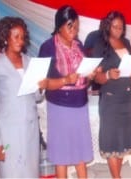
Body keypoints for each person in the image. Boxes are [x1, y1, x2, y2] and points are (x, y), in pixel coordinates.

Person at [38, 5, 95, 178]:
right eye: (70, 26)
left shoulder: (79, 46)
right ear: (59, 26)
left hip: (80, 105)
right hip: (59, 107)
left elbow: (84, 78)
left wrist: (91, 75)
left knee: (80, 153)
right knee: (61, 155)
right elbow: (43, 83)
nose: (74, 30)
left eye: (76, 27)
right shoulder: (48, 48)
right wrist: (65, 80)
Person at [88, 11, 131, 179]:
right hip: (110, 100)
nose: (118, 30)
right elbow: (96, 75)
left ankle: (117, 175)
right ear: (107, 26)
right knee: (112, 142)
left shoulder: (126, 42)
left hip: (126, 99)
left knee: (123, 141)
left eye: (121, 27)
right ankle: (117, 177)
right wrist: (108, 75)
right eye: (114, 26)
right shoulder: (100, 44)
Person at [0, 16, 46, 177]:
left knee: (30, 173)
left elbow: (37, 98)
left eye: (22, 37)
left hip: (31, 129)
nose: (20, 40)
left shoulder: (30, 62)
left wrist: (41, 87)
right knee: (12, 172)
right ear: (5, 37)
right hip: (9, 132)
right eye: (15, 36)